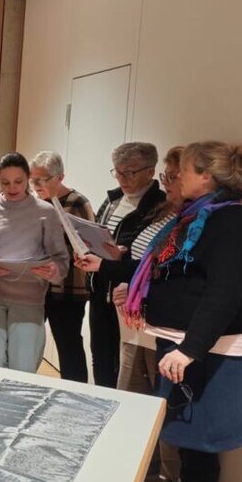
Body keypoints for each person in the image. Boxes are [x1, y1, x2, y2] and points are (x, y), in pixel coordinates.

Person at [123, 141, 242, 482]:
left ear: (207, 177)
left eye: (183, 170)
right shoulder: (198, 215)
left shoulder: (232, 221)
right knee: (187, 433)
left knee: (199, 437)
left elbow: (225, 292)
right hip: (186, 344)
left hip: (207, 349)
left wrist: (191, 349)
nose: (175, 177)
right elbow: (181, 277)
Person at [85, 142, 168, 388]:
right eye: (117, 171)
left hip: (128, 297)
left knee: (126, 364)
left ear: (150, 171)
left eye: (129, 172)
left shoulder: (159, 206)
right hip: (100, 289)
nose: (122, 178)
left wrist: (121, 254)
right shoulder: (112, 200)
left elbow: (149, 257)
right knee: (99, 355)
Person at [0, 153, 69, 372]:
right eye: (5, 182)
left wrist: (53, 270)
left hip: (29, 299)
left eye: (18, 181)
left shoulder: (45, 212)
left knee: (24, 366)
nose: (12, 187)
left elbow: (61, 260)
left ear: (28, 178)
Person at [29, 150, 93, 382]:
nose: (35, 185)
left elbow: (87, 246)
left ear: (59, 177)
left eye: (40, 180)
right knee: (30, 345)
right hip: (38, 287)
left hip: (68, 289)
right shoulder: (35, 203)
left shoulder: (77, 203)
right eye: (32, 179)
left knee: (69, 349)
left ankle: (76, 395)